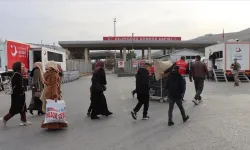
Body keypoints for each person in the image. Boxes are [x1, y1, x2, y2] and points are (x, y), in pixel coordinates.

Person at [0, 62, 31, 126]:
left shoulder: (18, 74)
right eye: (22, 65)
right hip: (17, 95)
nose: (23, 66)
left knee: (22, 108)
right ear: (18, 66)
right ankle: (5, 118)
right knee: (15, 109)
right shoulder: (17, 75)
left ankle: (24, 121)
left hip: (19, 94)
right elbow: (18, 86)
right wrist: (22, 91)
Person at [41, 61, 68, 129]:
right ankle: (55, 125)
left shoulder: (46, 74)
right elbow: (54, 85)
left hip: (47, 91)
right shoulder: (54, 74)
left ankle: (49, 124)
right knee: (55, 109)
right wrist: (55, 95)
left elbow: (45, 82)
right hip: (52, 92)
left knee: (50, 109)